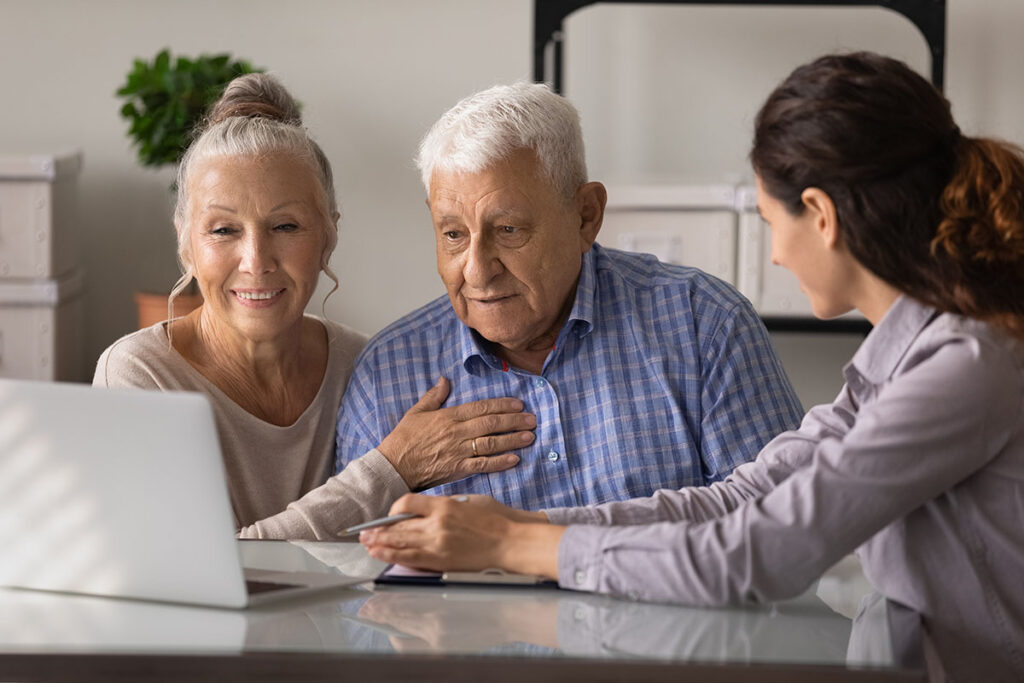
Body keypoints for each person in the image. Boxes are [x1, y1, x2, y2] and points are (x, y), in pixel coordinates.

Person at [360, 53, 1024, 682]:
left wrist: (509, 549)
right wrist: (518, 527)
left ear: (820, 216)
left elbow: (756, 552)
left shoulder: (965, 365)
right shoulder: (902, 358)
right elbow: (736, 498)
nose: (775, 259)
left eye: (769, 223)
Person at [93, 73, 536, 538]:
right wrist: (391, 469)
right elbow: (203, 576)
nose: (256, 261)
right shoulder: (138, 377)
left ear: (328, 236)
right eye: (223, 230)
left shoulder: (365, 368)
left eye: (285, 226)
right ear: (186, 244)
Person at [334, 82, 803, 510]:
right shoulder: (387, 377)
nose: (477, 270)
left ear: (585, 215)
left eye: (509, 229)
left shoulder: (705, 325)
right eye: (453, 234)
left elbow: (782, 532)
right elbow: (353, 589)